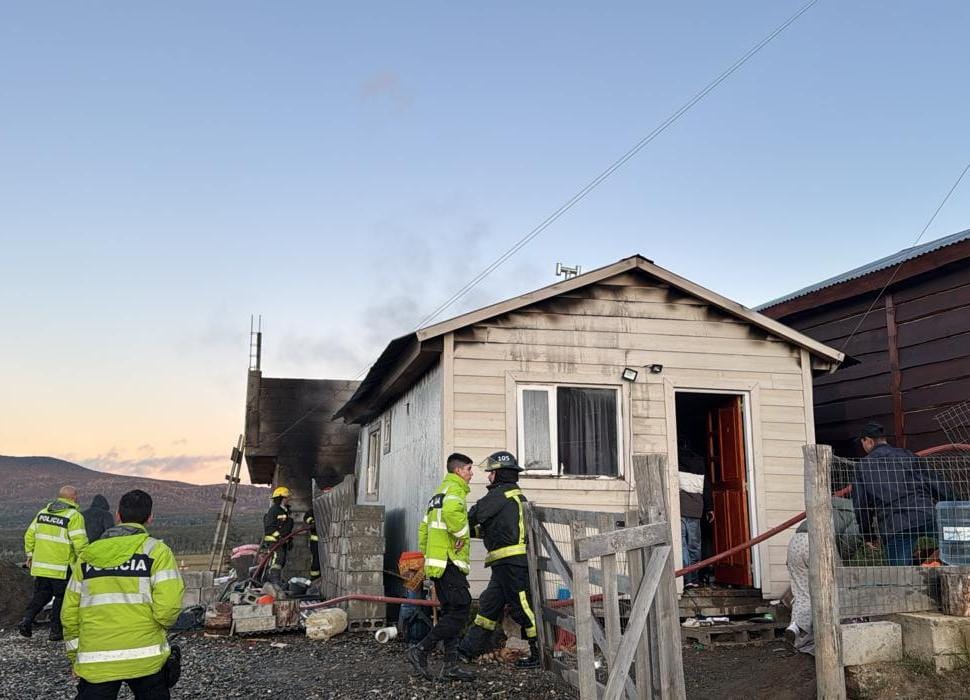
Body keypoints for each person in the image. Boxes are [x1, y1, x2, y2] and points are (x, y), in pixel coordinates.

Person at [61, 489, 185, 699]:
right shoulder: (156, 552)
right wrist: (157, 627)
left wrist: (76, 656)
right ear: (150, 518)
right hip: (146, 656)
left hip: (96, 659)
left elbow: (69, 614)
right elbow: (169, 607)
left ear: (118, 515)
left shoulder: (86, 557)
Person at [458, 451, 540, 669]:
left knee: (523, 608)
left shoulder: (500, 496)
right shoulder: (511, 497)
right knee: (488, 607)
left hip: (512, 563)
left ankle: (539, 653)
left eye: (491, 473)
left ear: (499, 474)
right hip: (504, 564)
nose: (488, 477)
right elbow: (488, 528)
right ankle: (467, 650)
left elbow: (473, 517)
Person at [407, 453, 475, 682]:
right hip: (450, 562)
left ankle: (450, 667)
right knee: (461, 608)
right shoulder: (455, 491)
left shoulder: (437, 495)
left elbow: (423, 529)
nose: (471, 474)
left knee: (450, 611)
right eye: (468, 469)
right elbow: (452, 514)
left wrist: (427, 556)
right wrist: (462, 534)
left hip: (438, 563)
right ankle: (420, 650)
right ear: (457, 471)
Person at [851, 422, 948, 566]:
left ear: (869, 441)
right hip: (925, 513)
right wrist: (955, 507)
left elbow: (861, 505)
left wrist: (868, 535)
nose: (863, 447)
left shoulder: (862, 467)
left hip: (895, 526)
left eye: (862, 442)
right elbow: (936, 483)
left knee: (900, 576)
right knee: (956, 552)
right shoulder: (907, 455)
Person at [785, 485, 862, 652]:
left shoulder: (827, 506)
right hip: (819, 544)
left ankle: (796, 628)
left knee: (802, 592)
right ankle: (838, 629)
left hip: (795, 543)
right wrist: (842, 558)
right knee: (837, 586)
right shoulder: (855, 512)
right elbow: (851, 539)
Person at [19, 485, 89, 640]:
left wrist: (30, 555)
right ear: (73, 497)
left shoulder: (42, 513)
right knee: (61, 597)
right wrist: (85, 562)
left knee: (41, 595)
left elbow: (29, 536)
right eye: (76, 495)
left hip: (41, 566)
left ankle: (27, 619)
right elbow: (80, 544)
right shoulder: (73, 516)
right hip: (61, 567)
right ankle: (55, 631)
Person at [678, 439, 713, 589]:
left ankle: (687, 578)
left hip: (680, 509)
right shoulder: (700, 464)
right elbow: (706, 489)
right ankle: (695, 577)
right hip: (695, 510)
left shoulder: (676, 462)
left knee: (683, 545)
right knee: (694, 546)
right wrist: (709, 508)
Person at [261, 486, 294, 584]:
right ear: (281, 498)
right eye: (287, 497)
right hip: (274, 541)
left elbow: (286, 526)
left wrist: (289, 539)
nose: (288, 499)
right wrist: (279, 537)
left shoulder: (285, 510)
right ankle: (273, 579)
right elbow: (269, 527)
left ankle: (276, 578)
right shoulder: (274, 510)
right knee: (278, 558)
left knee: (282, 559)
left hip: (282, 541)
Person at [304, 510, 321, 581]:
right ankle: (314, 578)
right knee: (316, 560)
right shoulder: (313, 510)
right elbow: (306, 517)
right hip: (315, 542)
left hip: (325, 542)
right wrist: (312, 522)